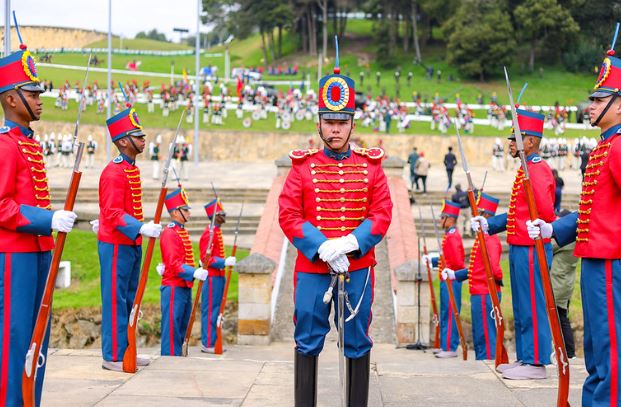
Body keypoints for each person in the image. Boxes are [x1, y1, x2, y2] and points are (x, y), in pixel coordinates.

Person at [278, 42, 392, 407]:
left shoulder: (371, 165)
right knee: (307, 337)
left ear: (352, 123)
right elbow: (288, 213)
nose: (336, 129)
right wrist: (321, 245)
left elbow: (382, 213)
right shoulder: (303, 166)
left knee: (357, 339)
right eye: (330, 121)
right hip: (313, 267)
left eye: (342, 122)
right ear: (319, 123)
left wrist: (350, 243)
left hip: (356, 266)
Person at [526, 28, 621, 404]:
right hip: (595, 258)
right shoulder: (604, 147)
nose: (591, 105)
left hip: (612, 260)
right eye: (592, 99)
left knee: (610, 345)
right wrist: (554, 227)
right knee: (597, 345)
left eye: (600, 99)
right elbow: (593, 208)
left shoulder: (617, 148)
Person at [0, 36, 77, 407]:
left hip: (39, 250)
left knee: (37, 340)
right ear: (11, 99)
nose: (39, 99)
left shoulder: (28, 142)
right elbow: (1, 205)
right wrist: (47, 218)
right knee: (15, 340)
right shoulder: (4, 145)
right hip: (15, 255)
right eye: (31, 93)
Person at [472, 104, 555, 380]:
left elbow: (542, 214)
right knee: (521, 304)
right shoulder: (525, 170)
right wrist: (490, 224)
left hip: (533, 248)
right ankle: (526, 356)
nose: (510, 142)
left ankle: (538, 360)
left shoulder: (538, 170)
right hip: (520, 246)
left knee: (532, 303)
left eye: (516, 137)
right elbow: (516, 213)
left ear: (530, 142)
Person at [97, 103, 162, 371]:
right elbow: (112, 212)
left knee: (129, 299)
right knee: (115, 300)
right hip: (115, 245)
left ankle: (127, 349)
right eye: (138, 136)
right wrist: (140, 227)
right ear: (123, 141)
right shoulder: (114, 171)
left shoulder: (131, 168)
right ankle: (112, 355)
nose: (143, 140)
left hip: (129, 244)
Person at [447, 193, 503, 360]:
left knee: (486, 334)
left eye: (478, 212)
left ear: (486, 215)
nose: (474, 215)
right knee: (479, 333)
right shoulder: (482, 238)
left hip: (486, 291)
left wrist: (498, 281)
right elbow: (475, 267)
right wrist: (456, 275)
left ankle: (489, 361)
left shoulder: (490, 238)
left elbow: (494, 268)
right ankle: (482, 361)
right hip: (479, 291)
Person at [159, 188, 208, 356]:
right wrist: (193, 272)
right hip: (174, 288)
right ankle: (168, 363)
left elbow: (183, 258)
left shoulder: (181, 231)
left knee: (181, 329)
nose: (189, 213)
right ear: (175, 212)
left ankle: (177, 361)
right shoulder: (170, 233)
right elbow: (173, 264)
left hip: (184, 287)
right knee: (171, 330)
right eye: (185, 209)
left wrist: (198, 266)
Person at [199, 199, 236, 354]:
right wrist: (223, 261)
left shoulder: (217, 231)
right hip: (212, 277)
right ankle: (208, 342)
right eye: (221, 214)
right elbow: (205, 258)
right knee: (211, 310)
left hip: (219, 277)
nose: (224, 216)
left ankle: (214, 340)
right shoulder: (209, 233)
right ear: (215, 216)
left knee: (217, 310)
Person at [435, 201, 465, 358]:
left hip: (451, 280)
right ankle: (444, 345)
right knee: (445, 311)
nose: (440, 220)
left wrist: (451, 272)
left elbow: (458, 262)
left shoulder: (452, 237)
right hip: (446, 279)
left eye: (442, 217)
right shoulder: (449, 235)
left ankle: (450, 347)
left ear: (450, 219)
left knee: (451, 312)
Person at [547, 209, 577, 359]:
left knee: (559, 317)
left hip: (558, 284)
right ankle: (569, 351)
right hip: (565, 284)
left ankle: (569, 351)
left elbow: (549, 247)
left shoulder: (567, 240)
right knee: (562, 317)